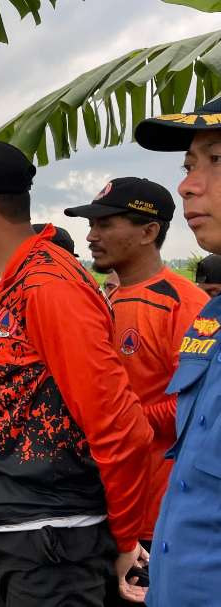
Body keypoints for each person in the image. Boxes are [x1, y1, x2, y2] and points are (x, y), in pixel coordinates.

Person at [0, 139, 152, 605]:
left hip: (51, 548)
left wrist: (124, 540)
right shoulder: (2, 283)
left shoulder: (49, 287)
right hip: (6, 533)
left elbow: (121, 430)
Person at [64, 178, 209, 557]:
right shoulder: (100, 299)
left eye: (106, 224)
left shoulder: (184, 304)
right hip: (96, 503)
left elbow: (198, 408)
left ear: (149, 231)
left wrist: (123, 421)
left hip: (152, 514)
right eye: (91, 225)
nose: (92, 235)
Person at [132, 98, 221, 606]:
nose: (188, 185)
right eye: (189, 165)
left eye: (216, 161)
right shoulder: (212, 318)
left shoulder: (183, 303)